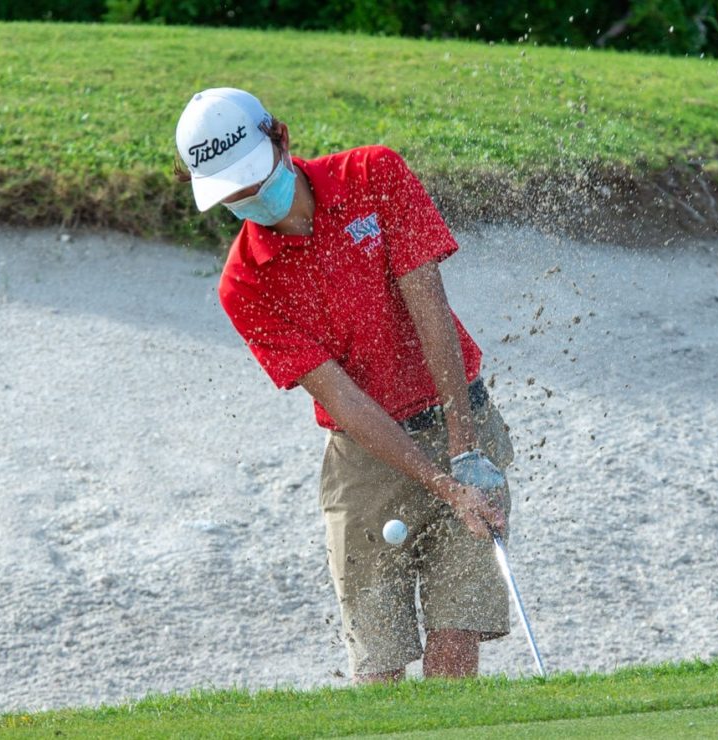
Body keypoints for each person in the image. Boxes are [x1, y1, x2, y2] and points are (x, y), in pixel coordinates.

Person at [174, 87, 515, 683]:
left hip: (462, 419)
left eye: (254, 179)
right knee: (378, 664)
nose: (252, 198)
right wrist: (439, 482)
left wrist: (463, 453)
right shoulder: (243, 286)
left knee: (455, 637)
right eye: (234, 194)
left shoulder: (373, 174)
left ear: (281, 137)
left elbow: (429, 309)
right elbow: (342, 398)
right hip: (364, 459)